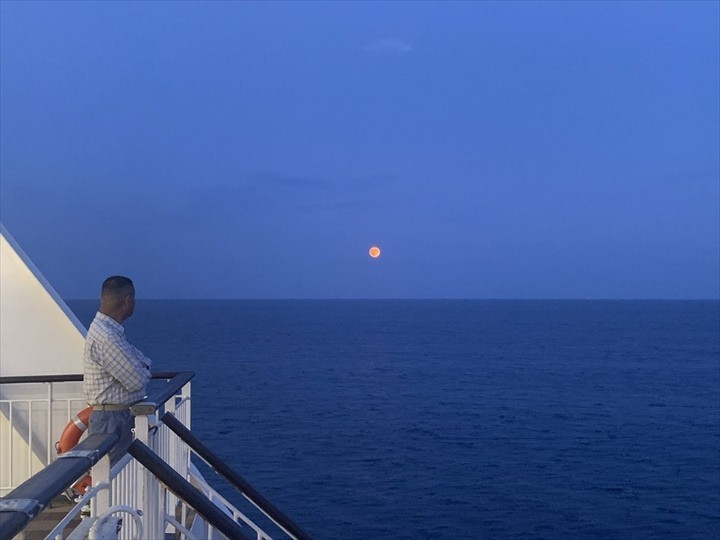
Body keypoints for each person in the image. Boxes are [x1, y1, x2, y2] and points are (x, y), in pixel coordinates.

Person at [83, 276, 152, 465]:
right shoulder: (107, 337)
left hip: (114, 417)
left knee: (118, 476)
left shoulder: (108, 332)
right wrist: (143, 370)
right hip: (112, 421)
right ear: (128, 300)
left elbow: (144, 363)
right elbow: (137, 380)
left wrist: (142, 368)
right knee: (112, 478)